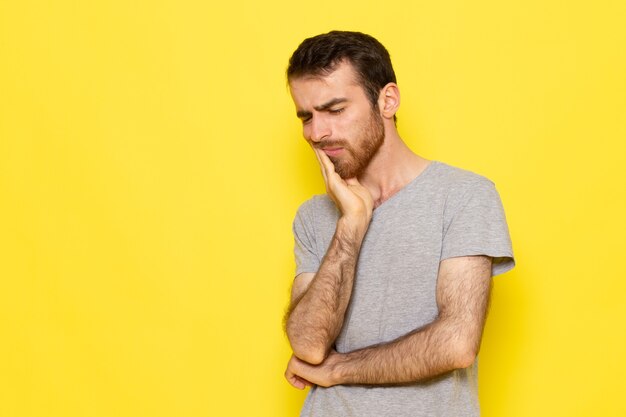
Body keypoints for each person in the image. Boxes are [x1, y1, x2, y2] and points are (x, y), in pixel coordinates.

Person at [283, 30, 515, 417]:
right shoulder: (313, 216)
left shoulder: (464, 196)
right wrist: (352, 225)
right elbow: (307, 346)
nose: (317, 133)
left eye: (335, 110)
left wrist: (338, 369)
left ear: (386, 100)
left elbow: (456, 344)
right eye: (306, 116)